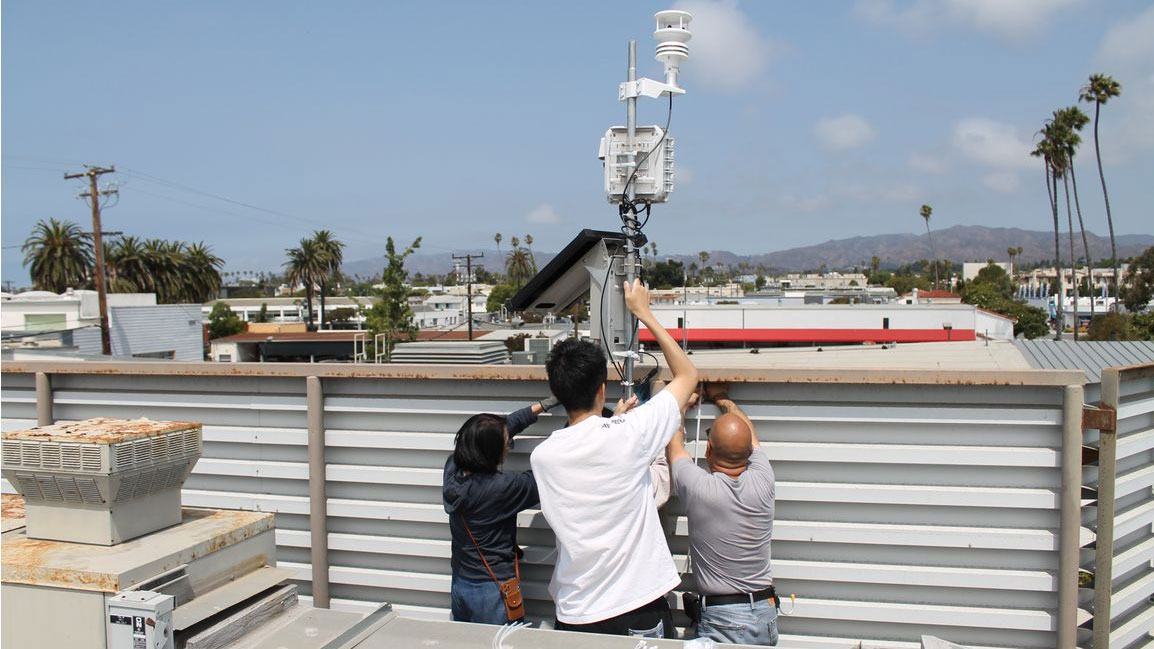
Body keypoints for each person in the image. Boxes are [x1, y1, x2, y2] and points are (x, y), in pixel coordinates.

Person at [531, 278, 698, 637]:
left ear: (557, 392)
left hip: (576, 615)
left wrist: (619, 420)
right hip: (636, 610)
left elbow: (587, 447)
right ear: (601, 390)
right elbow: (688, 375)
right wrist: (644, 312)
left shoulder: (542, 456)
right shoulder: (630, 434)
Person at [667, 383, 778, 645]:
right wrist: (722, 399)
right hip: (766, 611)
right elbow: (750, 436)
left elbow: (674, 444)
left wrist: (684, 402)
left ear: (708, 450)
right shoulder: (764, 478)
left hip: (724, 617)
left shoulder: (700, 488)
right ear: (750, 453)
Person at [442, 396, 558, 625]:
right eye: (506, 441)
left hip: (461, 585)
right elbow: (550, 474)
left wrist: (544, 405)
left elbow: (499, 429)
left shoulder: (452, 468)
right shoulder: (501, 488)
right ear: (492, 451)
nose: (509, 442)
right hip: (492, 593)